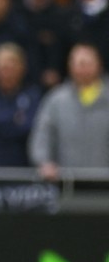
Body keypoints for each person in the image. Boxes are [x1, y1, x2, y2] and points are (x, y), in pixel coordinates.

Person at [29, 42, 109, 182]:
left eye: (87, 63)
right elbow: (42, 136)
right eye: (78, 63)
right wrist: (44, 162)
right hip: (66, 184)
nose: (82, 68)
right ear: (69, 66)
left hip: (105, 182)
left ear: (99, 64)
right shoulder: (56, 100)